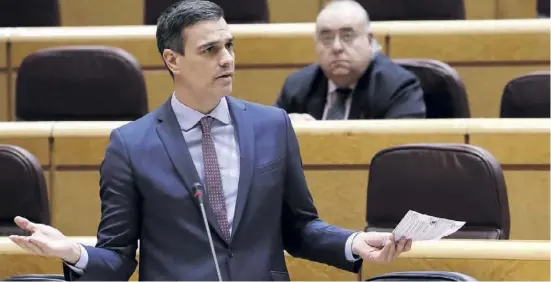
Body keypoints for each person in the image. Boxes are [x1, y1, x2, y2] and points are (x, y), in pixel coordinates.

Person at [9, 0, 412, 280]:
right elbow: (116, 258)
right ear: (173, 61)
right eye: (210, 49)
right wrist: (73, 253)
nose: (228, 59)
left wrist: (354, 242)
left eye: (229, 45)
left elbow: (299, 228)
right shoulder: (131, 146)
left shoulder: (272, 126)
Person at [274, 0, 426, 121]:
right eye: (327, 38)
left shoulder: (398, 88)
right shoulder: (297, 87)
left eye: (347, 36)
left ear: (369, 40)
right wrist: (285, 128)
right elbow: (263, 142)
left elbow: (400, 152)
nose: (336, 47)